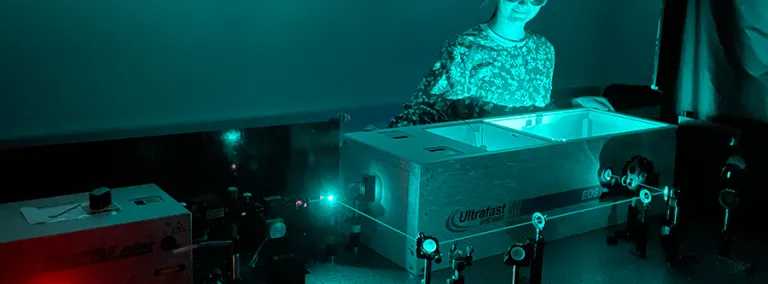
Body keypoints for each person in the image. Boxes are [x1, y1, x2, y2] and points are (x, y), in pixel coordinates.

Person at [387, 0, 614, 128]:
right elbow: (427, 111)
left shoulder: (543, 50)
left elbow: (535, 113)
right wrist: (382, 140)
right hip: (478, 162)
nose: (524, 3)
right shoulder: (466, 47)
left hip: (528, 160)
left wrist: (572, 105)